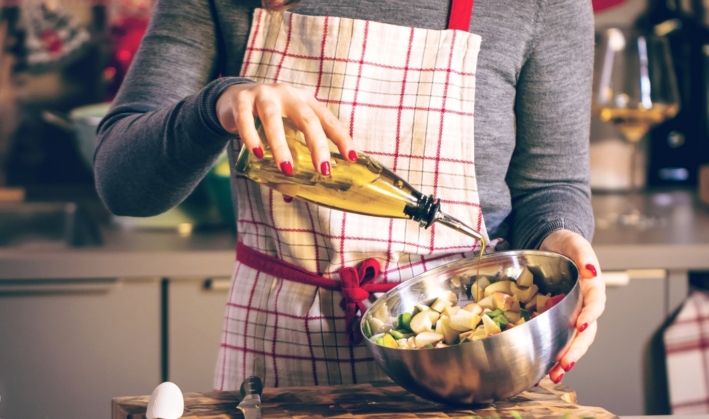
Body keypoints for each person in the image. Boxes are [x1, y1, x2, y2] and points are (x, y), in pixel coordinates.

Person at [95, 0, 606, 390]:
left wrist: (560, 242)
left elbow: (549, 185)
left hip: (468, 355)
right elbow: (122, 183)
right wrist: (217, 106)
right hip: (276, 368)